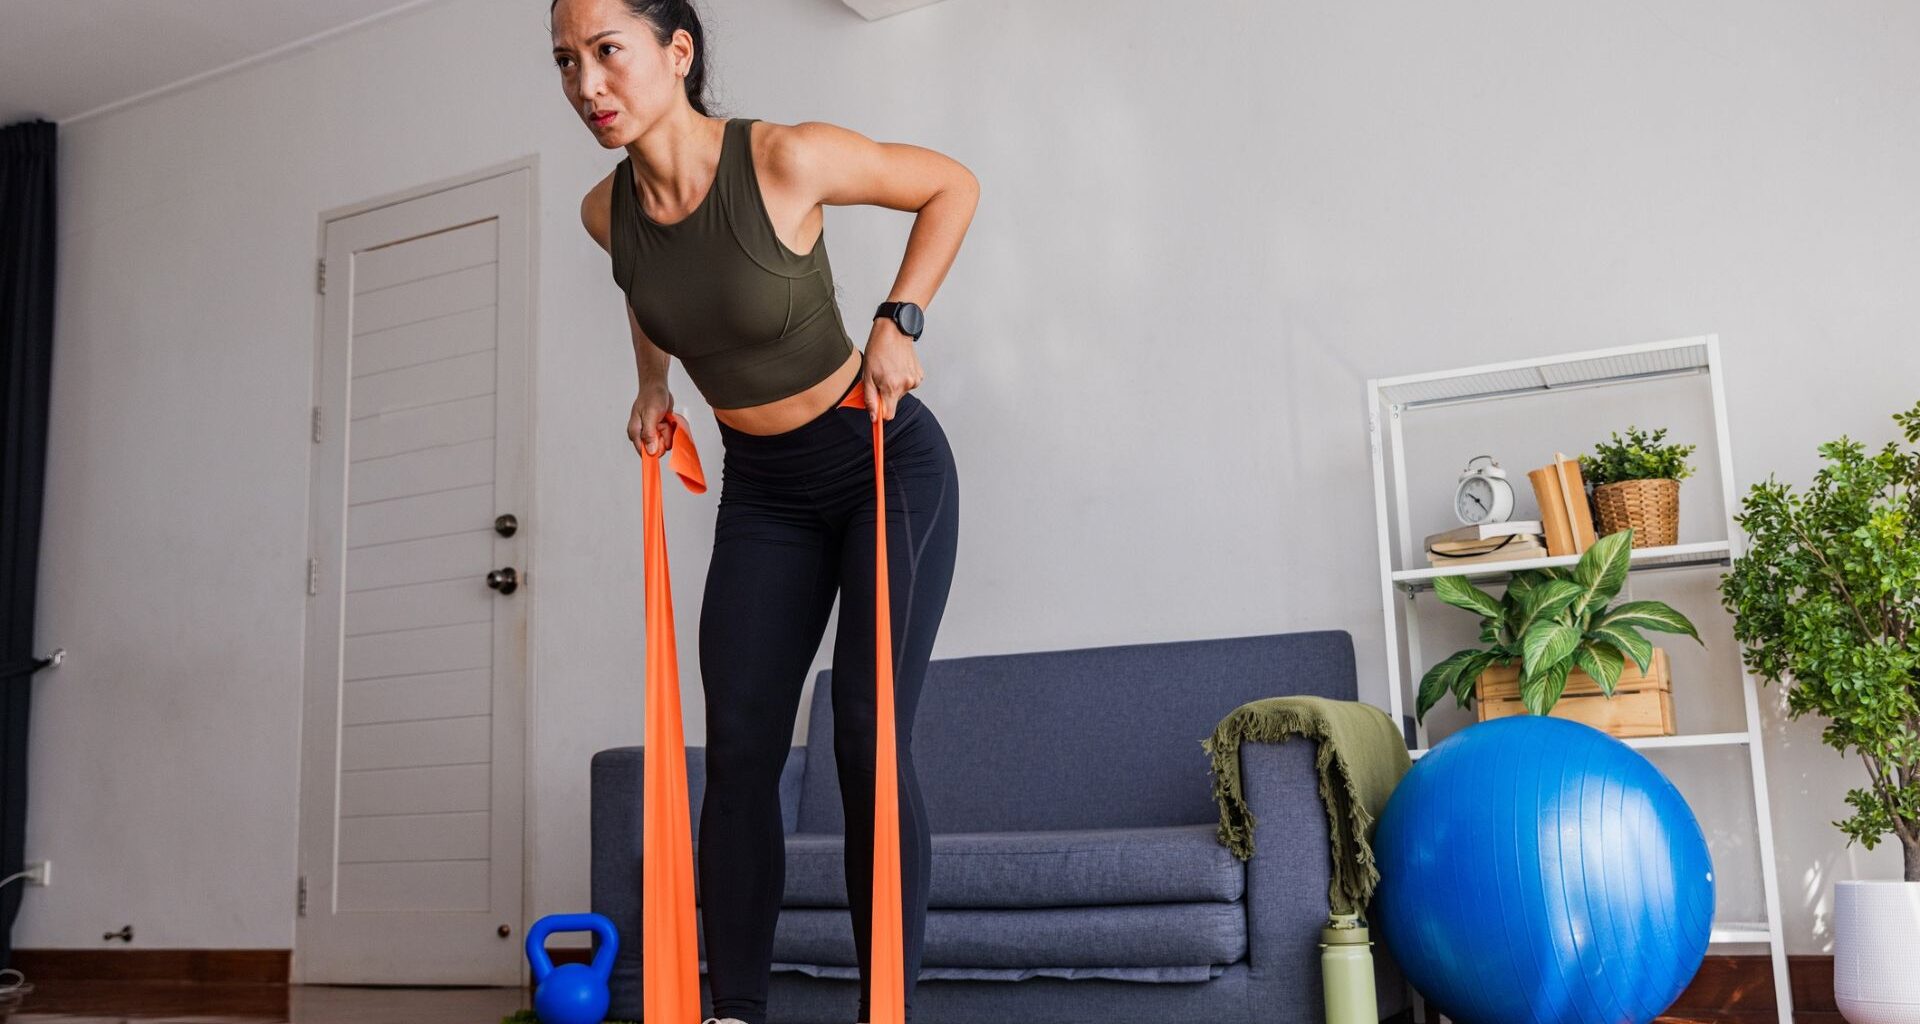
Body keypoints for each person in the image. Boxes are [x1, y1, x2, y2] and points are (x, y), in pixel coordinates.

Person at [551, 1, 979, 1022]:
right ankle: (734, 1008)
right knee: (739, 749)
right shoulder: (605, 214)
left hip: (882, 464)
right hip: (763, 492)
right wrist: (652, 382)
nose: (586, 85)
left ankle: (886, 1009)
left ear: (677, 51)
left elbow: (950, 185)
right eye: (566, 62)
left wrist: (899, 318)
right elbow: (648, 289)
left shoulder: (783, 159)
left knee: (865, 734)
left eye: (607, 52)